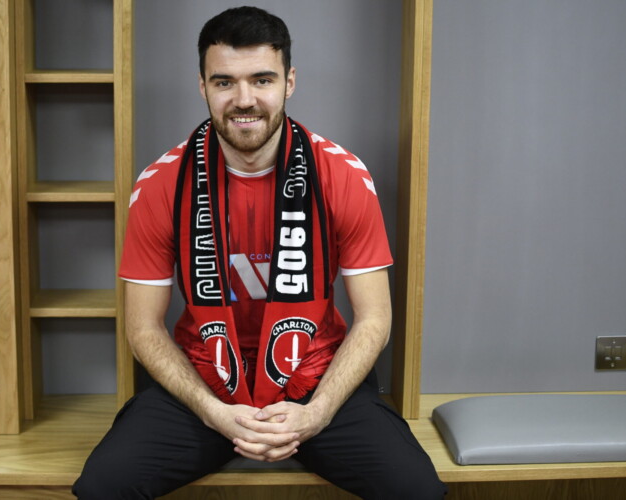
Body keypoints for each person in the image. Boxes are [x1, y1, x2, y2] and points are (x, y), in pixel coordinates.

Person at [73, 6, 446, 499]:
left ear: (289, 82)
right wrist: (214, 412)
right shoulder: (162, 183)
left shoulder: (342, 175)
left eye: (262, 80)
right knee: (102, 486)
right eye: (224, 82)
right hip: (206, 384)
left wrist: (318, 413)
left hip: (314, 380)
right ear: (202, 86)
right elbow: (142, 327)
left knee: (416, 489)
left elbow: (375, 318)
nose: (244, 99)